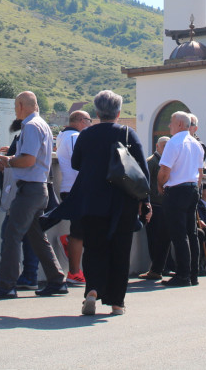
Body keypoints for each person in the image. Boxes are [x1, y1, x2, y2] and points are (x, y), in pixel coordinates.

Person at [53, 90, 151, 315]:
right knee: (120, 249)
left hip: (91, 201)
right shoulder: (128, 133)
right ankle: (117, 303)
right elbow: (142, 173)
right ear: (118, 112)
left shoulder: (86, 135)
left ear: (96, 112)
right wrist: (145, 202)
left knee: (94, 248)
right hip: (122, 202)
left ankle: (92, 291)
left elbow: (77, 163)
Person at [0, 91, 67, 299]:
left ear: (22, 105)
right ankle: (57, 281)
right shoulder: (41, 125)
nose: (15, 111)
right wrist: (13, 158)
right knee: (36, 237)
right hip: (38, 188)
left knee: (11, 235)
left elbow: (28, 160)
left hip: (30, 189)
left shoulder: (31, 126)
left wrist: (8, 161)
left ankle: (6, 285)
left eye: (16, 107)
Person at [158, 111, 204, 287]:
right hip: (192, 189)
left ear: (178, 124)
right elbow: (200, 173)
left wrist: (160, 185)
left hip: (177, 190)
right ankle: (193, 274)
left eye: (170, 121)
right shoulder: (196, 144)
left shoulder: (173, 143)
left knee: (179, 234)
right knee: (191, 233)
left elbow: (164, 170)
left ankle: (183, 275)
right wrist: (197, 190)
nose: (169, 125)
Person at [56, 110, 90, 285]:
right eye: (89, 120)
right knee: (79, 233)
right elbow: (82, 165)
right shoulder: (75, 138)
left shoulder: (62, 137)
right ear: (81, 121)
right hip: (76, 189)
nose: (90, 124)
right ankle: (74, 273)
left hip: (69, 188)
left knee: (80, 230)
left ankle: (69, 243)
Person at [140, 136, 172, 280]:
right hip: (153, 204)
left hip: (164, 204)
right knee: (154, 238)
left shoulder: (166, 162)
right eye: (164, 146)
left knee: (164, 238)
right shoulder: (151, 162)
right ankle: (157, 268)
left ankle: (164, 266)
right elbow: (145, 183)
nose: (166, 148)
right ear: (157, 146)